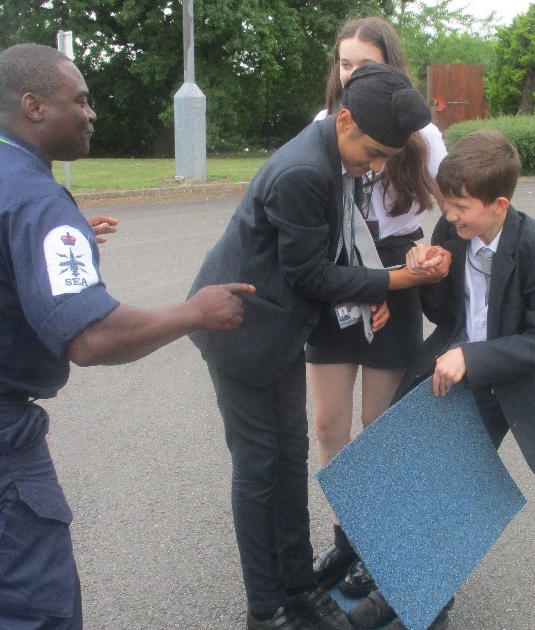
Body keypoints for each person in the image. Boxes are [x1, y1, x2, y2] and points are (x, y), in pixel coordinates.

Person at [0, 43, 252, 630]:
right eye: (82, 100)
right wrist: (194, 311)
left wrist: (52, 242)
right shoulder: (34, 200)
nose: (91, 113)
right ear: (34, 105)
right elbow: (91, 337)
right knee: (33, 606)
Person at [187, 63, 450, 630]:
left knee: (289, 463)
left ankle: (300, 590)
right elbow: (310, 274)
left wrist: (373, 285)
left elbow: (342, 243)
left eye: (386, 157)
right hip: (242, 334)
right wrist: (395, 282)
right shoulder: (305, 171)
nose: (376, 166)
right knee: (261, 473)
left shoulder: (336, 153)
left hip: (279, 331)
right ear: (346, 118)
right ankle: (267, 608)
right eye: (374, 153)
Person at [347, 129, 535, 630]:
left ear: (499, 203)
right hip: (451, 369)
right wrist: (427, 274)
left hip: (504, 385)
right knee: (406, 472)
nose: (449, 216)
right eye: (446, 204)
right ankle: (395, 579)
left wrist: (473, 358)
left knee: (446, 489)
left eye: (459, 206)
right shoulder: (453, 235)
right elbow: (445, 314)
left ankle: (424, 606)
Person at [307, 16, 447, 600]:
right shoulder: (323, 128)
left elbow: (455, 204)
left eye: (364, 66)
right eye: (343, 64)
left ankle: (379, 544)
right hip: (338, 273)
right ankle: (347, 541)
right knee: (328, 424)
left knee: (379, 426)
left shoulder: (423, 135)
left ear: (391, 69)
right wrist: (356, 287)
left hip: (397, 268)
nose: (350, 75)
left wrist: (428, 253)